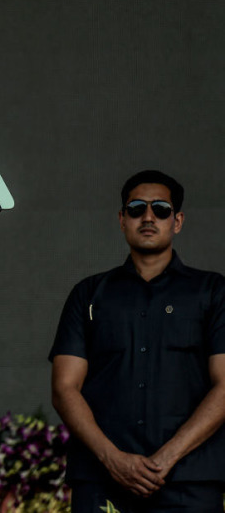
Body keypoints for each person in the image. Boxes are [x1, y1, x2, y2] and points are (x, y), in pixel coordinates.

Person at [50, 170, 225, 512]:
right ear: (122, 219)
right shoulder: (88, 294)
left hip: (191, 481)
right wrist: (113, 459)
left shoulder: (213, 292)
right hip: (102, 480)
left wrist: (167, 458)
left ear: (177, 221)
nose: (148, 217)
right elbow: (64, 388)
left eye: (161, 209)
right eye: (136, 208)